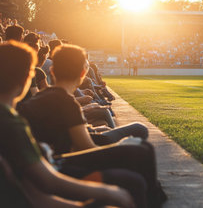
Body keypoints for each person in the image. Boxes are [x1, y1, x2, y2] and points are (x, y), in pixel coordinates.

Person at [18, 44, 167, 206]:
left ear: (52, 71)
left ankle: (154, 196)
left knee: (140, 150)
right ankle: (155, 197)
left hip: (50, 162)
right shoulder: (65, 101)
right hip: (59, 164)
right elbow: (85, 146)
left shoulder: (45, 96)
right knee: (140, 150)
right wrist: (118, 147)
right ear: (83, 73)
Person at [0, 41, 135, 208]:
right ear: (26, 78)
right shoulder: (10, 123)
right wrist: (107, 193)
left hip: (46, 180)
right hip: (58, 169)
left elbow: (30, 192)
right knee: (134, 172)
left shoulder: (14, 117)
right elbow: (47, 183)